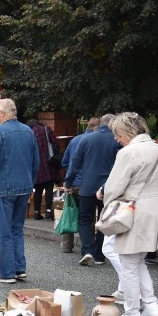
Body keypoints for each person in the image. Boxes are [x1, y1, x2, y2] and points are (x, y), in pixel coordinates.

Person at [102, 113, 158, 316]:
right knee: (137, 261)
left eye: (118, 134)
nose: (116, 138)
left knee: (129, 264)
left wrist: (107, 204)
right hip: (156, 208)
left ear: (126, 131)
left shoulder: (128, 152)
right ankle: (150, 305)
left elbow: (114, 186)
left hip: (135, 210)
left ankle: (132, 313)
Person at [0, 98, 40, 283]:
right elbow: (35, 162)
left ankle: (7, 273)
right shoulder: (28, 132)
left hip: (4, 188)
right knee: (17, 229)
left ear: (3, 113)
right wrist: (30, 184)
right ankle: (20, 269)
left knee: (3, 232)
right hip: (24, 187)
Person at [63, 113, 119, 266]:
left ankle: (86, 250)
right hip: (108, 187)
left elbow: (75, 163)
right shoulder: (116, 140)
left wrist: (68, 182)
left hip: (87, 186)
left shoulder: (86, 139)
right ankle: (99, 254)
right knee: (104, 220)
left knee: (85, 219)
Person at [60, 117, 100, 254]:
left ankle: (67, 246)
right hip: (88, 185)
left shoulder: (74, 140)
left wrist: (69, 179)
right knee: (87, 217)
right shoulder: (96, 141)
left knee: (69, 212)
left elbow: (65, 162)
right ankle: (88, 246)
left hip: (72, 183)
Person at [27, 118, 61, 220]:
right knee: (49, 189)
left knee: (37, 190)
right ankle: (48, 212)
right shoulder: (46, 129)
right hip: (48, 163)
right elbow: (55, 144)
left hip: (36, 164)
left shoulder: (29, 133)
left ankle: (36, 212)